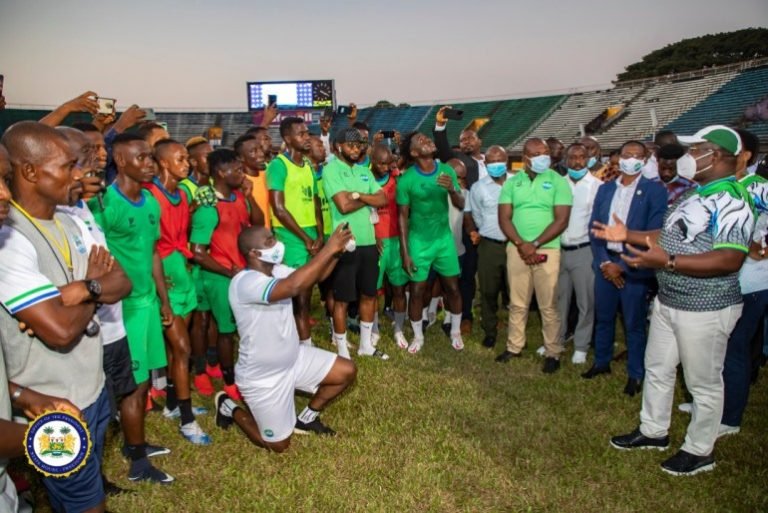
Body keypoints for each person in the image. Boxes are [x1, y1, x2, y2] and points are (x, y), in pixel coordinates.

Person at [601, 125, 754, 476]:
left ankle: (700, 450)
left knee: (703, 382)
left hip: (706, 305)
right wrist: (630, 235)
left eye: (695, 149)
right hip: (670, 300)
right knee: (658, 368)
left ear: (714, 155)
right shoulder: (695, 193)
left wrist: (666, 262)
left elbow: (729, 259)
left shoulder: (732, 199)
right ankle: (653, 431)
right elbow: (669, 234)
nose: (687, 157)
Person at [0, 122, 132, 510]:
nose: (79, 175)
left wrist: (83, 289)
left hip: (91, 388)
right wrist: (94, 283)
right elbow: (59, 331)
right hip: (51, 402)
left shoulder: (70, 219)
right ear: (30, 172)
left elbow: (122, 280)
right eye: (68, 165)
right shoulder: (10, 240)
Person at [215, 224, 357, 451]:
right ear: (253, 252)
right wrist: (328, 249)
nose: (277, 244)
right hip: (263, 376)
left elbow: (315, 275)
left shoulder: (276, 270)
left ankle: (307, 418)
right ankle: (228, 406)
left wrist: (337, 251)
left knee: (346, 371)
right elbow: (293, 286)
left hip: (294, 359)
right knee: (278, 445)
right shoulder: (244, 282)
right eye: (270, 241)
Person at [89, 132, 175, 484]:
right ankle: (138, 463)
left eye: (151, 158)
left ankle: (133, 444)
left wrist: (163, 299)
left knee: (141, 385)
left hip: (147, 303)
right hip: (120, 308)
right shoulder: (105, 204)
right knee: (132, 386)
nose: (149, 163)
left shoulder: (152, 202)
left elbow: (152, 251)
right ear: (120, 161)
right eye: (141, 158)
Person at [583, 140, 667, 395]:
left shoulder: (654, 191)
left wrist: (621, 266)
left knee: (634, 322)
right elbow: (595, 227)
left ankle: (635, 374)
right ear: (618, 158)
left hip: (634, 265)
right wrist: (605, 262)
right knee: (604, 317)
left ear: (645, 159)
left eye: (637, 155)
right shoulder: (606, 188)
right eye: (627, 155)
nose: (631, 159)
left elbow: (655, 234)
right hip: (605, 262)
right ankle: (601, 362)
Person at [147, 139, 211, 445]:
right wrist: (159, 285)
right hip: (166, 284)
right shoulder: (150, 195)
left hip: (182, 276)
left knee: (176, 351)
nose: (188, 164)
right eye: (181, 159)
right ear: (162, 163)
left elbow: (181, 234)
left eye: (188, 159)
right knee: (183, 349)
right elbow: (149, 247)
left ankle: (172, 404)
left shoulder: (182, 194)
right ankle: (187, 421)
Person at [496, 138, 572, 373]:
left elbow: (561, 220)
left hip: (547, 249)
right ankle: (514, 346)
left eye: (546, 152)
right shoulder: (512, 183)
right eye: (537, 153)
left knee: (548, 304)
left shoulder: (558, 181)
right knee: (517, 303)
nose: (543, 156)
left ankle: (553, 351)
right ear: (526, 157)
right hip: (517, 248)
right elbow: (504, 217)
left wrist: (536, 243)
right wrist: (521, 244)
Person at [190, 148, 254, 401]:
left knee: (219, 326)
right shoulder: (208, 206)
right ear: (220, 172)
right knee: (216, 326)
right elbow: (197, 251)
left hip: (230, 273)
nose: (242, 173)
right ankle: (224, 380)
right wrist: (229, 271)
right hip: (216, 276)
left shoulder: (238, 197)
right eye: (237, 170)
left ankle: (211, 366)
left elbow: (254, 222)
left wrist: (249, 196)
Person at [718, 128, 768, 437]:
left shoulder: (757, 186)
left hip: (751, 282)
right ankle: (715, 403)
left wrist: (761, 249)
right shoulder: (729, 186)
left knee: (734, 348)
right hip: (727, 280)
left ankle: (730, 417)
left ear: (745, 155)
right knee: (719, 346)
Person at [323, 128, 389, 359]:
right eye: (350, 145)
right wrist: (364, 197)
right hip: (345, 242)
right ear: (338, 146)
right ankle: (342, 349)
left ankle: (365, 345)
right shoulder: (331, 170)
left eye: (359, 145)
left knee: (369, 295)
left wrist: (357, 195)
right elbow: (343, 206)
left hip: (368, 242)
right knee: (342, 298)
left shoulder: (364, 171)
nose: (355, 149)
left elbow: (382, 198)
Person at [397, 132, 466, 353]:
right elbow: (402, 218)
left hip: (444, 240)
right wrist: (405, 253)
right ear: (414, 153)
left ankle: (455, 331)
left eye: (428, 138)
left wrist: (452, 189)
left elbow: (461, 203)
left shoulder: (446, 171)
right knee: (417, 291)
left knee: (453, 288)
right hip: (419, 242)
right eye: (421, 141)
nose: (428, 140)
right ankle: (418, 336)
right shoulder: (407, 179)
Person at [266, 117, 323, 348]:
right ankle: (301, 346)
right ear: (287, 139)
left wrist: (319, 233)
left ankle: (303, 342)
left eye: (307, 133)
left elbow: (315, 201)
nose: (306, 137)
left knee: (307, 291)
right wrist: (305, 237)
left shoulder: (308, 165)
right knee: (296, 292)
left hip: (310, 234)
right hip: (292, 235)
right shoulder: (278, 165)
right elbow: (279, 209)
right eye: (301, 134)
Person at [433, 106, 482, 332]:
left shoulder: (490, 163)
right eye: (463, 140)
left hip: (481, 224)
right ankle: (455, 315)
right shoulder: (458, 160)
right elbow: (442, 146)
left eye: (470, 138)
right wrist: (441, 126)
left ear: (479, 141)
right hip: (460, 221)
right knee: (457, 271)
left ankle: (467, 313)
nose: (466, 143)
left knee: (470, 274)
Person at [179, 137, 219, 395]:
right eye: (206, 156)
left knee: (215, 316)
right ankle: (200, 369)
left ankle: (214, 361)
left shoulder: (216, 184)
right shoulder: (184, 188)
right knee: (200, 320)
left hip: (216, 259)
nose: (211, 160)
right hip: (193, 262)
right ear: (193, 161)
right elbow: (178, 225)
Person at [556, 143, 601, 364]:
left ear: (588, 159)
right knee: (559, 299)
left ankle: (581, 345)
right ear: (565, 160)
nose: (576, 162)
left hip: (584, 250)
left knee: (586, 301)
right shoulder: (558, 184)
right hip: (559, 249)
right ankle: (557, 339)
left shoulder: (597, 186)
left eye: (581, 157)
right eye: (572, 157)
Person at [465, 145, 510, 348]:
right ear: (485, 163)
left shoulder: (518, 183)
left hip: (516, 245)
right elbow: (473, 214)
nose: (496, 164)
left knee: (517, 291)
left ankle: (517, 333)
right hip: (490, 245)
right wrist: (480, 231)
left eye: (499, 160)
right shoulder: (478, 187)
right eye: (491, 161)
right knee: (488, 291)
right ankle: (490, 330)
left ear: (507, 160)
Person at [370, 143, 409, 349]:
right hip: (375, 242)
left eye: (388, 163)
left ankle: (399, 329)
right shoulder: (364, 179)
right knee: (373, 291)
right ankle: (374, 329)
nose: (385, 167)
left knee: (398, 289)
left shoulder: (397, 180)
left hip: (395, 241)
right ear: (372, 161)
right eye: (381, 163)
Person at [235, 134, 271, 230]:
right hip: (253, 240)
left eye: (260, 149)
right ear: (241, 157)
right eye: (253, 151)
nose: (261, 154)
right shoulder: (240, 184)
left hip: (271, 237)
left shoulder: (269, 174)